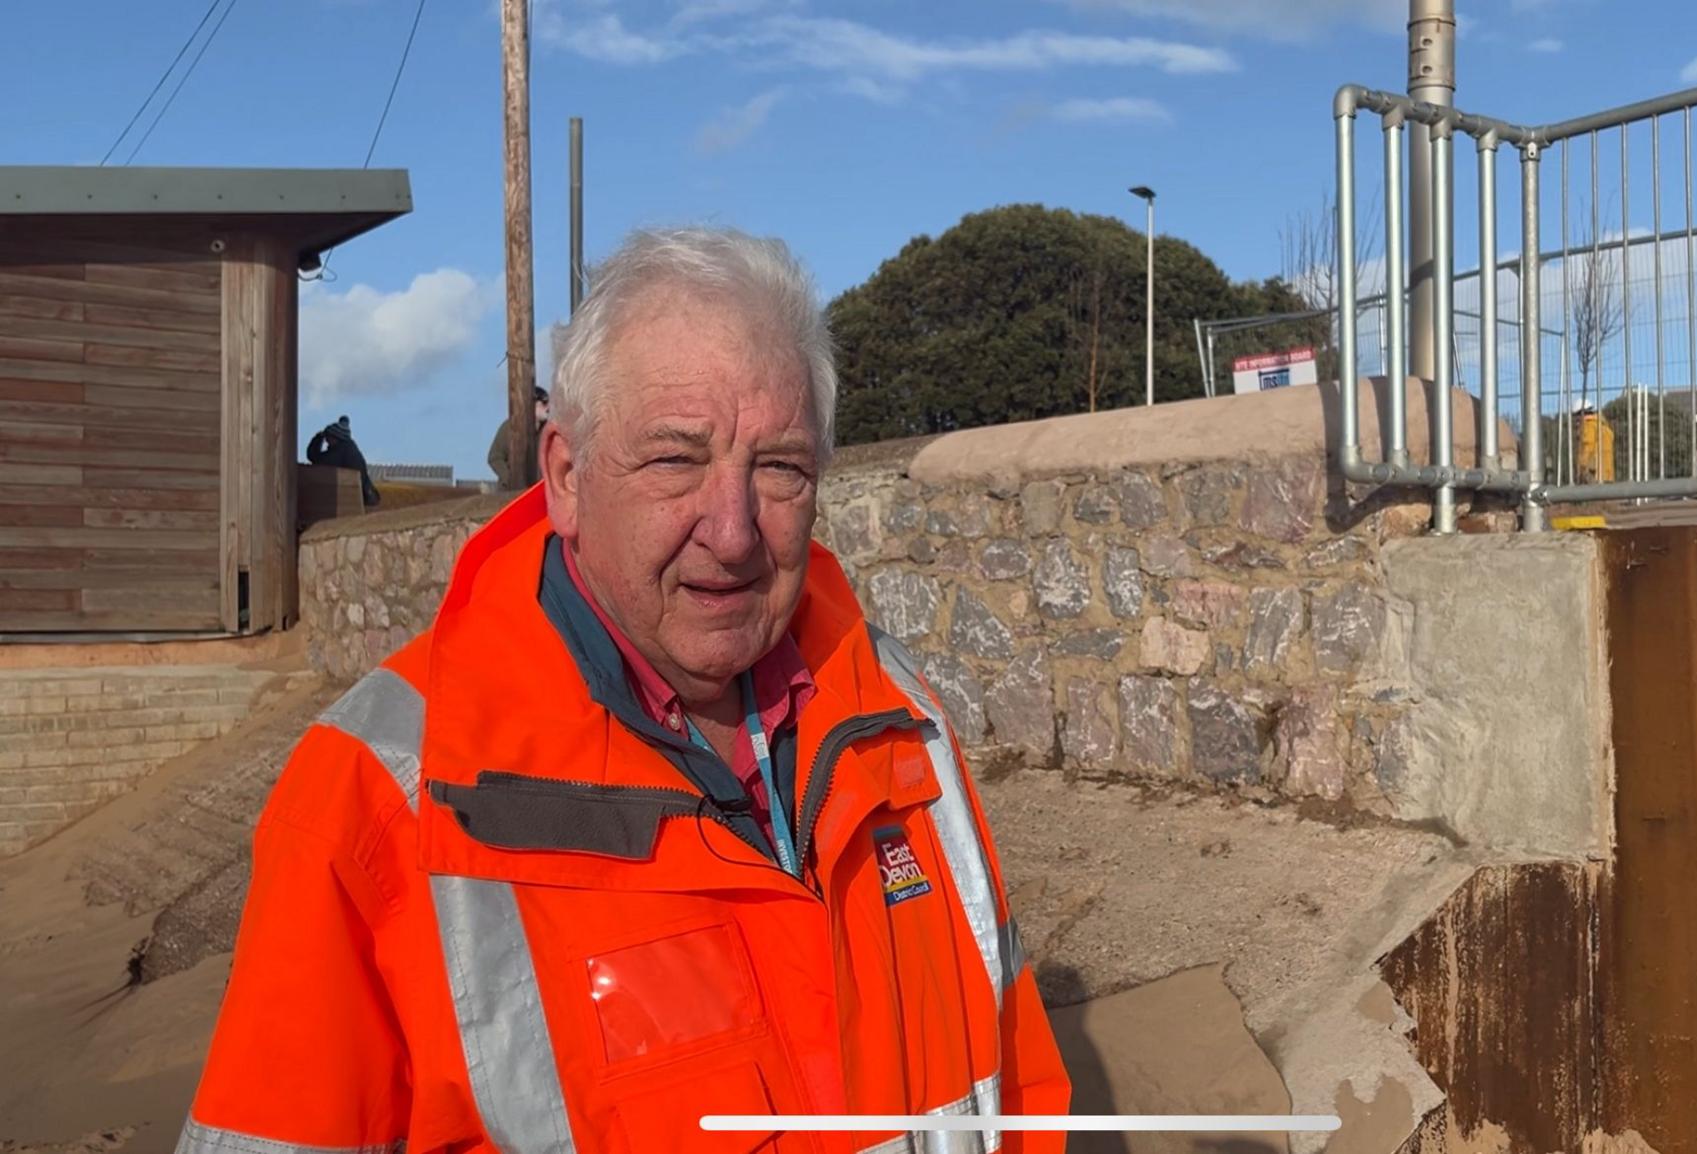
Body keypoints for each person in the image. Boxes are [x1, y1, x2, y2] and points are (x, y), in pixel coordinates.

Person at [177, 228, 1070, 1153]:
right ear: (566, 477)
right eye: (676, 459)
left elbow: (1017, 1089)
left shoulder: (904, 725)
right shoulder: (377, 797)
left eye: (779, 469)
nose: (732, 533)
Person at [305, 414, 380, 508]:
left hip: (358, 500)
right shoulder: (349, 449)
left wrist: (319, 437)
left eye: (328, 438)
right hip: (367, 495)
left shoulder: (339, 453)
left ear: (335, 438)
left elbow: (314, 457)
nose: (327, 441)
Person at [489, 385, 551, 490]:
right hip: (510, 495)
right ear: (532, 405)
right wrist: (510, 480)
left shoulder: (549, 430)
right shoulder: (510, 428)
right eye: (544, 403)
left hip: (539, 494)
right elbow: (494, 457)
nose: (548, 407)